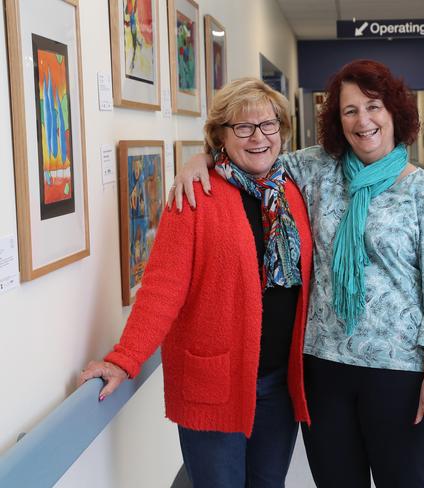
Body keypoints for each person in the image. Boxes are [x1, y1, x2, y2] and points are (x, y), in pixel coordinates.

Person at [170, 60, 424, 488]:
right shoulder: (315, 169)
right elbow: (252, 154)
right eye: (349, 110)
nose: (363, 120)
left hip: (399, 372)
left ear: (394, 112)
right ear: (336, 120)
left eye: (373, 106)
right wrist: (201, 159)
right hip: (323, 369)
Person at [78, 78, 314, 488]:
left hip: (279, 386)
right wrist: (124, 357)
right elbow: (162, 287)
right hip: (215, 382)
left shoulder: (291, 192)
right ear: (219, 137)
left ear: (283, 129)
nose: (259, 137)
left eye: (269, 124)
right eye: (243, 127)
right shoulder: (195, 196)